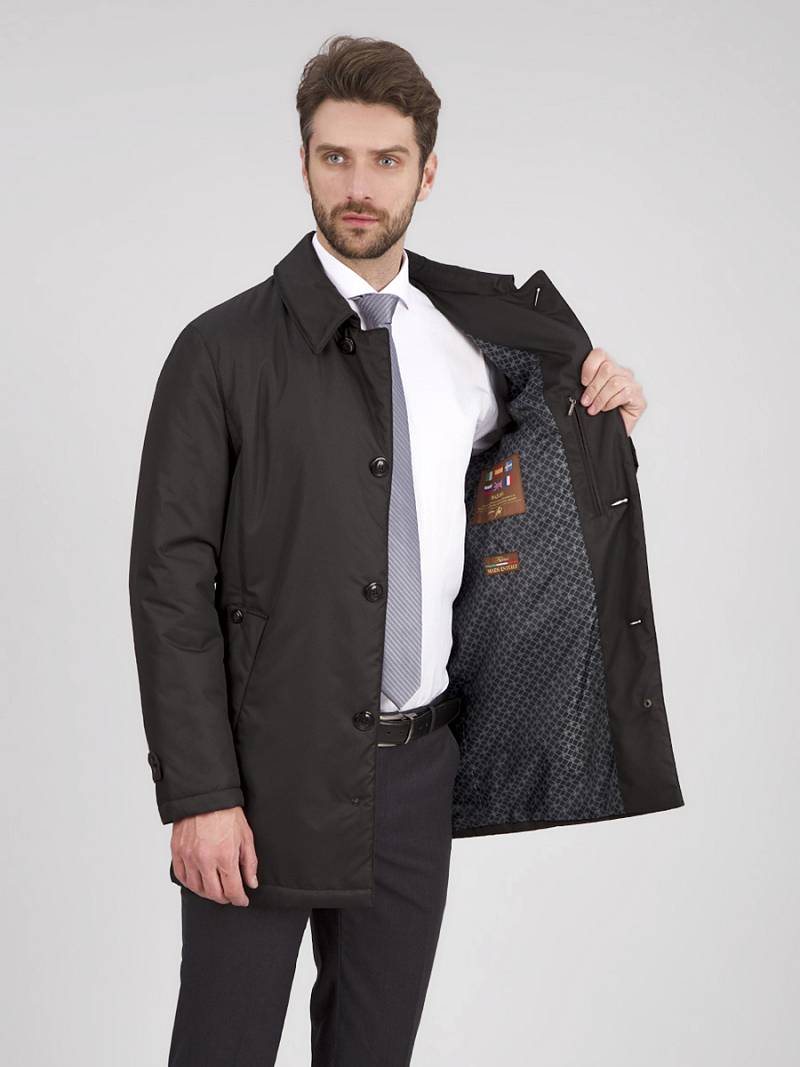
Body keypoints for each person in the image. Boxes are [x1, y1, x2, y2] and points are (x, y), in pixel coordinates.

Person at [128, 33, 683, 1067]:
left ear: (427, 173)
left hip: (417, 772)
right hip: (264, 771)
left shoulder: (473, 344)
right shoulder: (219, 352)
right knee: (221, 1048)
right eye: (335, 156)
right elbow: (169, 586)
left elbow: (519, 493)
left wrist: (603, 416)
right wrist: (199, 795)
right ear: (302, 162)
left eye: (386, 159)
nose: (358, 186)